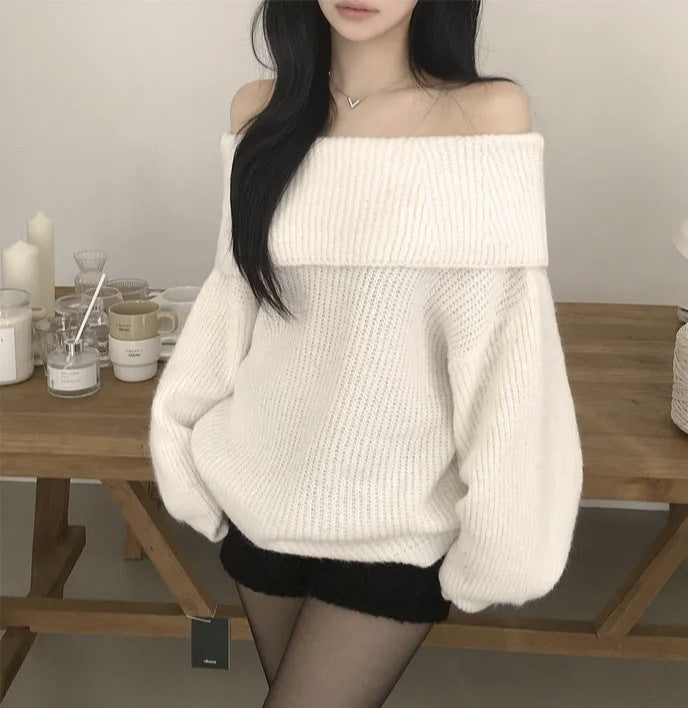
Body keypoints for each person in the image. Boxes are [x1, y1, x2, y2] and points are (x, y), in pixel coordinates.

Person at [149, 1, 584, 705]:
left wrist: (506, 534)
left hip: (398, 520)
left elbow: (506, 350)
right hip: (262, 495)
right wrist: (178, 435)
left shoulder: (486, 115)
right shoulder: (260, 112)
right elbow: (232, 302)